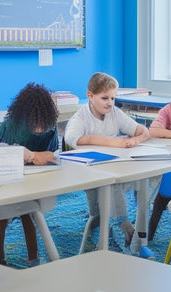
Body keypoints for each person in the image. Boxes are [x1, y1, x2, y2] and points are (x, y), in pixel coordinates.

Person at [64, 72, 151, 248]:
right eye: (104, 98)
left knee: (116, 183)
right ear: (90, 96)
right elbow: (73, 139)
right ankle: (118, 231)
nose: (110, 102)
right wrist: (112, 142)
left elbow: (144, 131)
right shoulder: (80, 117)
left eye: (112, 98)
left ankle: (121, 229)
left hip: (113, 166)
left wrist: (135, 140)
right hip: (85, 170)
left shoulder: (115, 113)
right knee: (97, 213)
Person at [0, 83, 59, 266]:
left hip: (33, 177)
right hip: (6, 177)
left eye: (41, 122)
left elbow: (53, 155)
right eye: (34, 122)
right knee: (1, 216)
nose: (38, 128)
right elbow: (2, 153)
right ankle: (0, 258)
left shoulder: (50, 129)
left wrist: (38, 157)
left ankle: (33, 258)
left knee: (29, 213)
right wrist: (34, 156)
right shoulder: (10, 126)